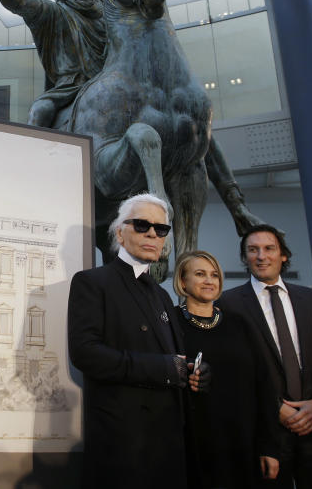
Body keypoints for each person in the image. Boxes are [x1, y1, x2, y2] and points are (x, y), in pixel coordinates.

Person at [67, 192, 210, 489]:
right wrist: (164, 369)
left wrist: (193, 374)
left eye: (161, 229)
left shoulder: (162, 294)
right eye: (142, 225)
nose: (152, 234)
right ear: (120, 232)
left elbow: (171, 359)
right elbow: (85, 354)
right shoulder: (92, 282)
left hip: (170, 443)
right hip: (125, 446)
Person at [217, 224, 312, 488]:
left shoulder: (311, 299)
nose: (261, 256)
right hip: (265, 434)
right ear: (244, 258)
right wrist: (275, 408)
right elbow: (231, 372)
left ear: (283, 255)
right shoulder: (227, 304)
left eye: (269, 248)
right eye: (253, 250)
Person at [173, 250, 281, 488]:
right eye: (200, 274)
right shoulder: (169, 323)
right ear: (182, 281)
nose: (210, 280)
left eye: (214, 275)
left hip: (243, 443)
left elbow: (263, 386)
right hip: (190, 446)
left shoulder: (240, 323)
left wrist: (269, 446)